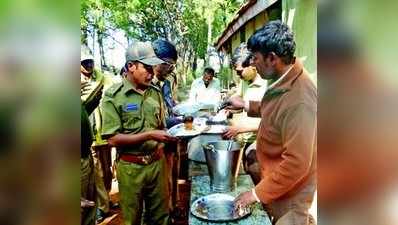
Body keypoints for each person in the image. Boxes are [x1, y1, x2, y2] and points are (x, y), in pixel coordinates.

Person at [228, 21, 317, 225]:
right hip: (275, 181)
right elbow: (275, 110)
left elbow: (297, 163)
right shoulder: (284, 79)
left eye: (256, 58)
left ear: (272, 58)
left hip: (291, 193)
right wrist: (245, 104)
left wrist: (256, 194)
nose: (252, 64)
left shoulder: (300, 100)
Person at [101, 41, 177, 225]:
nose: (152, 72)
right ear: (131, 66)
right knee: (132, 219)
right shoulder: (114, 97)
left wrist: (171, 133)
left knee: (161, 217)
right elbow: (112, 139)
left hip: (157, 164)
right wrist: (150, 135)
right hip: (131, 169)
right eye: (147, 67)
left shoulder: (154, 92)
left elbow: (161, 126)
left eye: (153, 67)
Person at [222, 42, 268, 184]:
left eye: (240, 71)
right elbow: (243, 103)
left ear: (252, 65)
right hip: (246, 140)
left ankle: (266, 205)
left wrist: (239, 129)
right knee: (249, 172)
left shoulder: (267, 85)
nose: (237, 74)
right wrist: (230, 108)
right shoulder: (246, 80)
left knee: (260, 179)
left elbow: (270, 120)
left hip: (262, 142)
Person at [81, 46, 113, 223]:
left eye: (90, 61)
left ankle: (105, 200)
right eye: (84, 62)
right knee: (97, 173)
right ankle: (103, 206)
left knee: (106, 170)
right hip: (89, 138)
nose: (88, 65)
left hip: (103, 133)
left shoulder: (101, 77)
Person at [151, 39, 181, 128]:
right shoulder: (145, 87)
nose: (171, 69)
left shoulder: (166, 83)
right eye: (168, 64)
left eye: (173, 65)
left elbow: (169, 106)